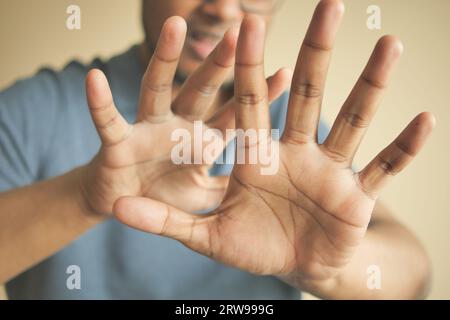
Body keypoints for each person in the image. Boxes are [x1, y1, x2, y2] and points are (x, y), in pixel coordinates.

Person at [0, 0, 434, 299]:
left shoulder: (289, 130)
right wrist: (85, 195)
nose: (224, 8)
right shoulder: (35, 109)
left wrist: (332, 271)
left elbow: (413, 275)